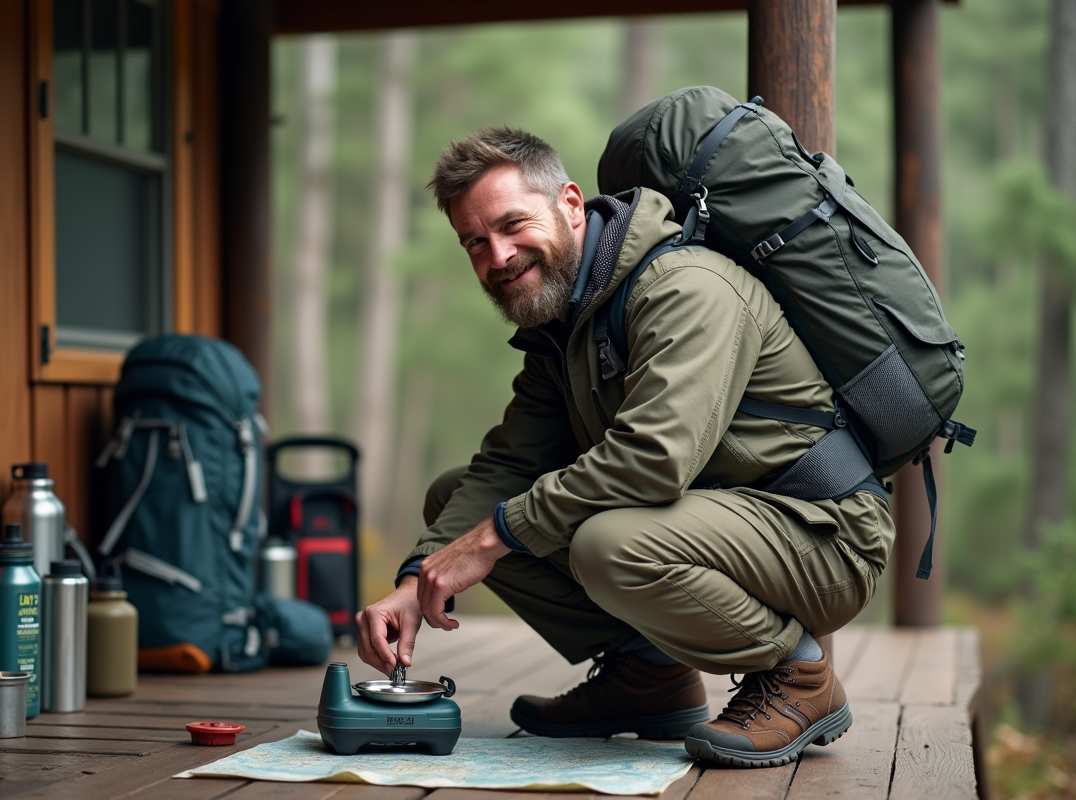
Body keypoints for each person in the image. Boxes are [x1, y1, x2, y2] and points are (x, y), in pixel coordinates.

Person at [355, 127, 895, 768]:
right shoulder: (565, 324)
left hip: (823, 534)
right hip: (718, 525)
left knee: (601, 541)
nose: (498, 256)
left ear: (572, 205)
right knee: (458, 502)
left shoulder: (684, 287)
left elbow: (652, 460)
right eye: (475, 241)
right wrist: (419, 574)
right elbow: (507, 465)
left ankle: (798, 675)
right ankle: (651, 676)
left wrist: (490, 538)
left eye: (512, 224)